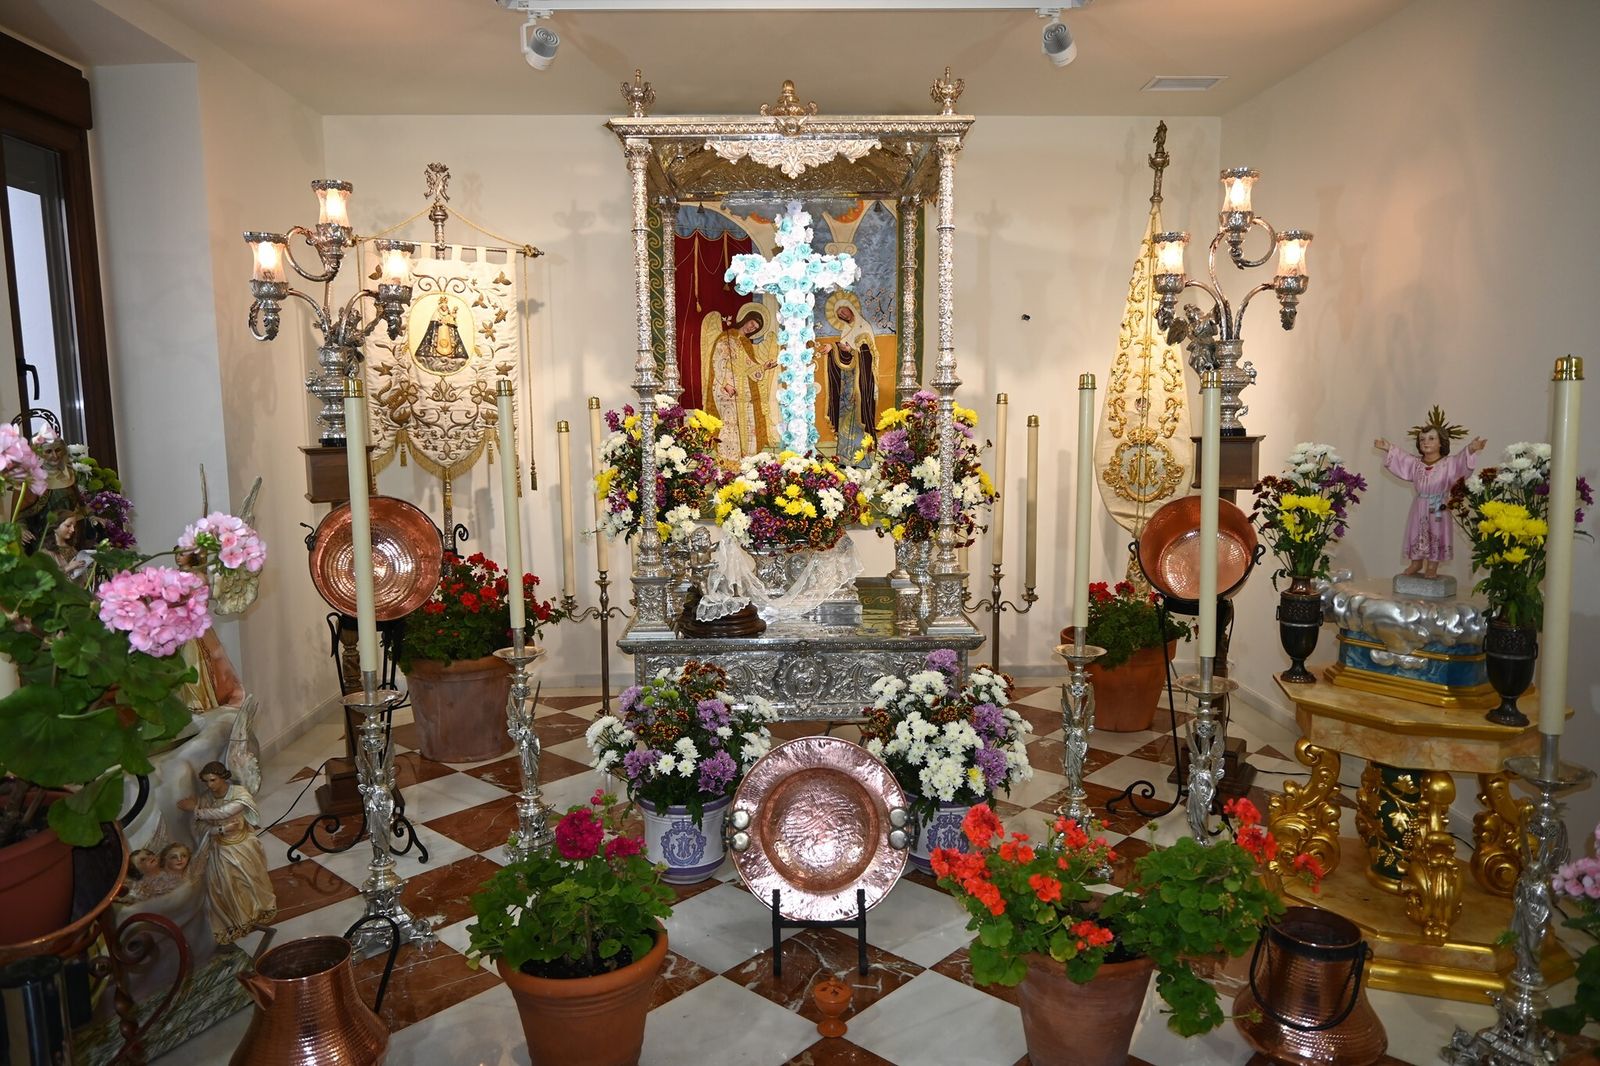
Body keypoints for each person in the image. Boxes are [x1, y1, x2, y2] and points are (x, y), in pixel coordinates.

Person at [1374, 410, 1486, 578]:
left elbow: (1460, 462)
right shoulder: (1416, 463)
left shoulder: (1448, 463)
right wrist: (1387, 447)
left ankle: (1432, 565)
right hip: (1420, 504)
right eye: (1422, 439)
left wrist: (1471, 449)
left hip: (1438, 504)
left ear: (1441, 442)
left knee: (1437, 532)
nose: (1426, 442)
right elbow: (1402, 458)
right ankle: (1416, 562)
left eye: (1431, 438)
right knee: (1416, 532)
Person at [180, 760, 276, 944]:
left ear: (223, 777)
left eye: (213, 780)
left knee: (250, 876)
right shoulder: (206, 798)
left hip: (242, 843)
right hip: (219, 846)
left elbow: (223, 812)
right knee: (225, 883)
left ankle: (258, 908)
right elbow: (200, 827)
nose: (210, 785)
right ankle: (239, 917)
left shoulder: (239, 794)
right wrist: (218, 831)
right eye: (206, 781)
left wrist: (195, 810)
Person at [823, 294, 878, 459]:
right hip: (847, 381)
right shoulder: (846, 330)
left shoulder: (864, 326)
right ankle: (846, 453)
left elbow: (869, 354)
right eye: (840, 315)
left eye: (844, 311)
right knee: (846, 414)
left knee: (860, 411)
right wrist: (833, 348)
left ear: (851, 308)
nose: (843, 316)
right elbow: (843, 356)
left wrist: (852, 350)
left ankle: (863, 454)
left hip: (861, 380)